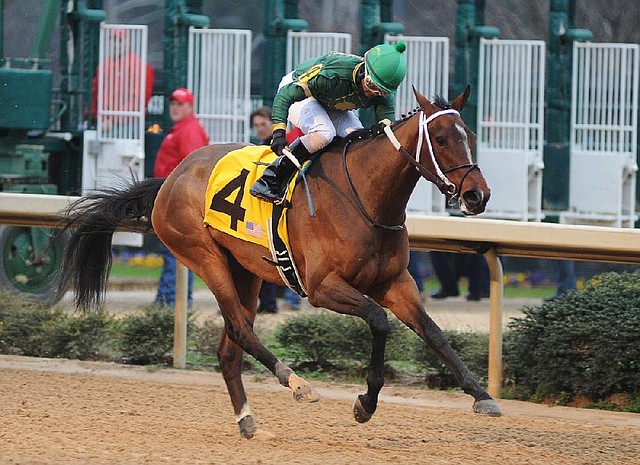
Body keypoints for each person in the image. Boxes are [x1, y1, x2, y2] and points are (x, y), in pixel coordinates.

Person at [250, 42, 407, 205]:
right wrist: (278, 134)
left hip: (329, 101)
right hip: (297, 91)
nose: (373, 93)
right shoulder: (332, 74)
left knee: (359, 143)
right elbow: (285, 96)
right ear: (363, 70)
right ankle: (271, 178)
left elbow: (387, 121)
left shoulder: (382, 84)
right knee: (324, 133)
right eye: (371, 85)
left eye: (381, 91)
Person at [153, 88, 209, 306]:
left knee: (175, 251)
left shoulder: (189, 130)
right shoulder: (182, 128)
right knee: (174, 251)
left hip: (179, 200)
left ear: (190, 107)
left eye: (180, 104)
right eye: (172, 103)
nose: (175, 107)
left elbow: (194, 166)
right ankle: (170, 301)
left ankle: (171, 303)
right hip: (174, 196)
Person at [250, 106, 303, 313]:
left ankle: (288, 301)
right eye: (256, 126)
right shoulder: (260, 146)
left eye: (263, 125)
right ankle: (269, 303)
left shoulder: (285, 143)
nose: (260, 129)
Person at [91, 29, 155, 128]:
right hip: (103, 122)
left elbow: (139, 100)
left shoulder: (139, 66)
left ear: (128, 42)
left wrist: (113, 120)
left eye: (119, 40)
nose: (115, 44)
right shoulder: (104, 65)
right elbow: (95, 92)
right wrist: (91, 117)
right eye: (113, 40)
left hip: (128, 124)